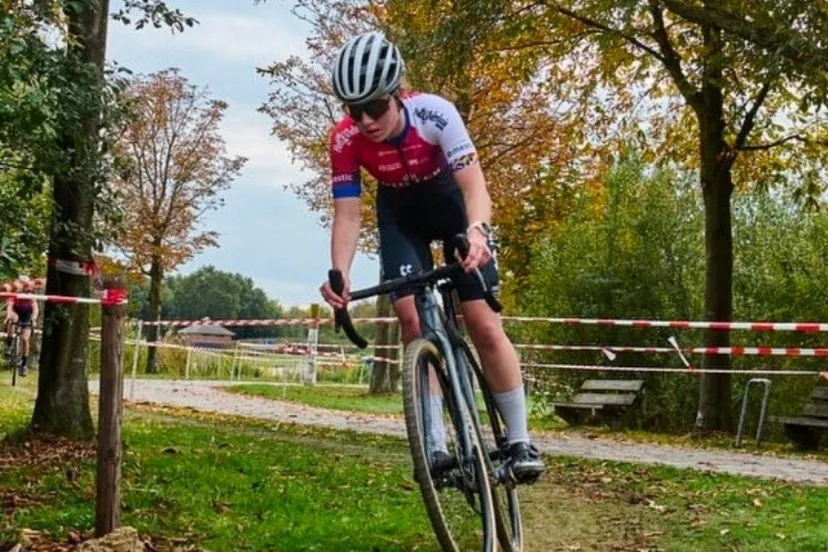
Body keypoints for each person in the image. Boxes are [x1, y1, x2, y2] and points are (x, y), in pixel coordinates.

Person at [319, 31, 544, 483]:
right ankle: (436, 447)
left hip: (452, 208)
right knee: (412, 321)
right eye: (353, 109)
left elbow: (474, 186)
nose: (365, 120)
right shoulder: (344, 141)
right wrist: (340, 274)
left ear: (398, 95)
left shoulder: (436, 113)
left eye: (375, 106)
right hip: (400, 216)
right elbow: (347, 215)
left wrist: (478, 233)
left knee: (482, 320)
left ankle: (520, 442)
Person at [4, 275, 38, 376]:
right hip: (16, 312)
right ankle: (9, 345)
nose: (24, 287)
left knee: (25, 339)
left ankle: (24, 364)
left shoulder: (31, 294)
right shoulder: (14, 293)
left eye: (25, 284)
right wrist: (8, 316)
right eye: (21, 284)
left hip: (27, 315)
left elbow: (35, 308)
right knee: (13, 318)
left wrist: (33, 319)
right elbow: (9, 306)